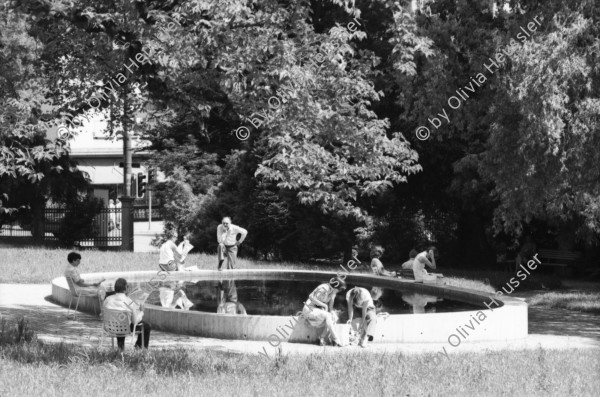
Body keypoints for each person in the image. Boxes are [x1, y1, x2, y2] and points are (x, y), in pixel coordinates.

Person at [103, 278, 151, 350]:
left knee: (120, 322)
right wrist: (141, 312)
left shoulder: (107, 299)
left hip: (110, 327)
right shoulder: (129, 302)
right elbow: (135, 321)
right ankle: (140, 348)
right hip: (124, 327)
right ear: (126, 288)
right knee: (146, 326)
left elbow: (103, 312)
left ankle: (121, 349)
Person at [302, 277, 346, 346]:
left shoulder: (333, 293)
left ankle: (322, 338)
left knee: (333, 318)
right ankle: (336, 339)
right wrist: (325, 306)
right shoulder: (324, 288)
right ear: (336, 286)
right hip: (309, 309)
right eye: (339, 289)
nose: (339, 291)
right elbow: (311, 297)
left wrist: (333, 313)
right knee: (328, 316)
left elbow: (331, 307)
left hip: (317, 311)